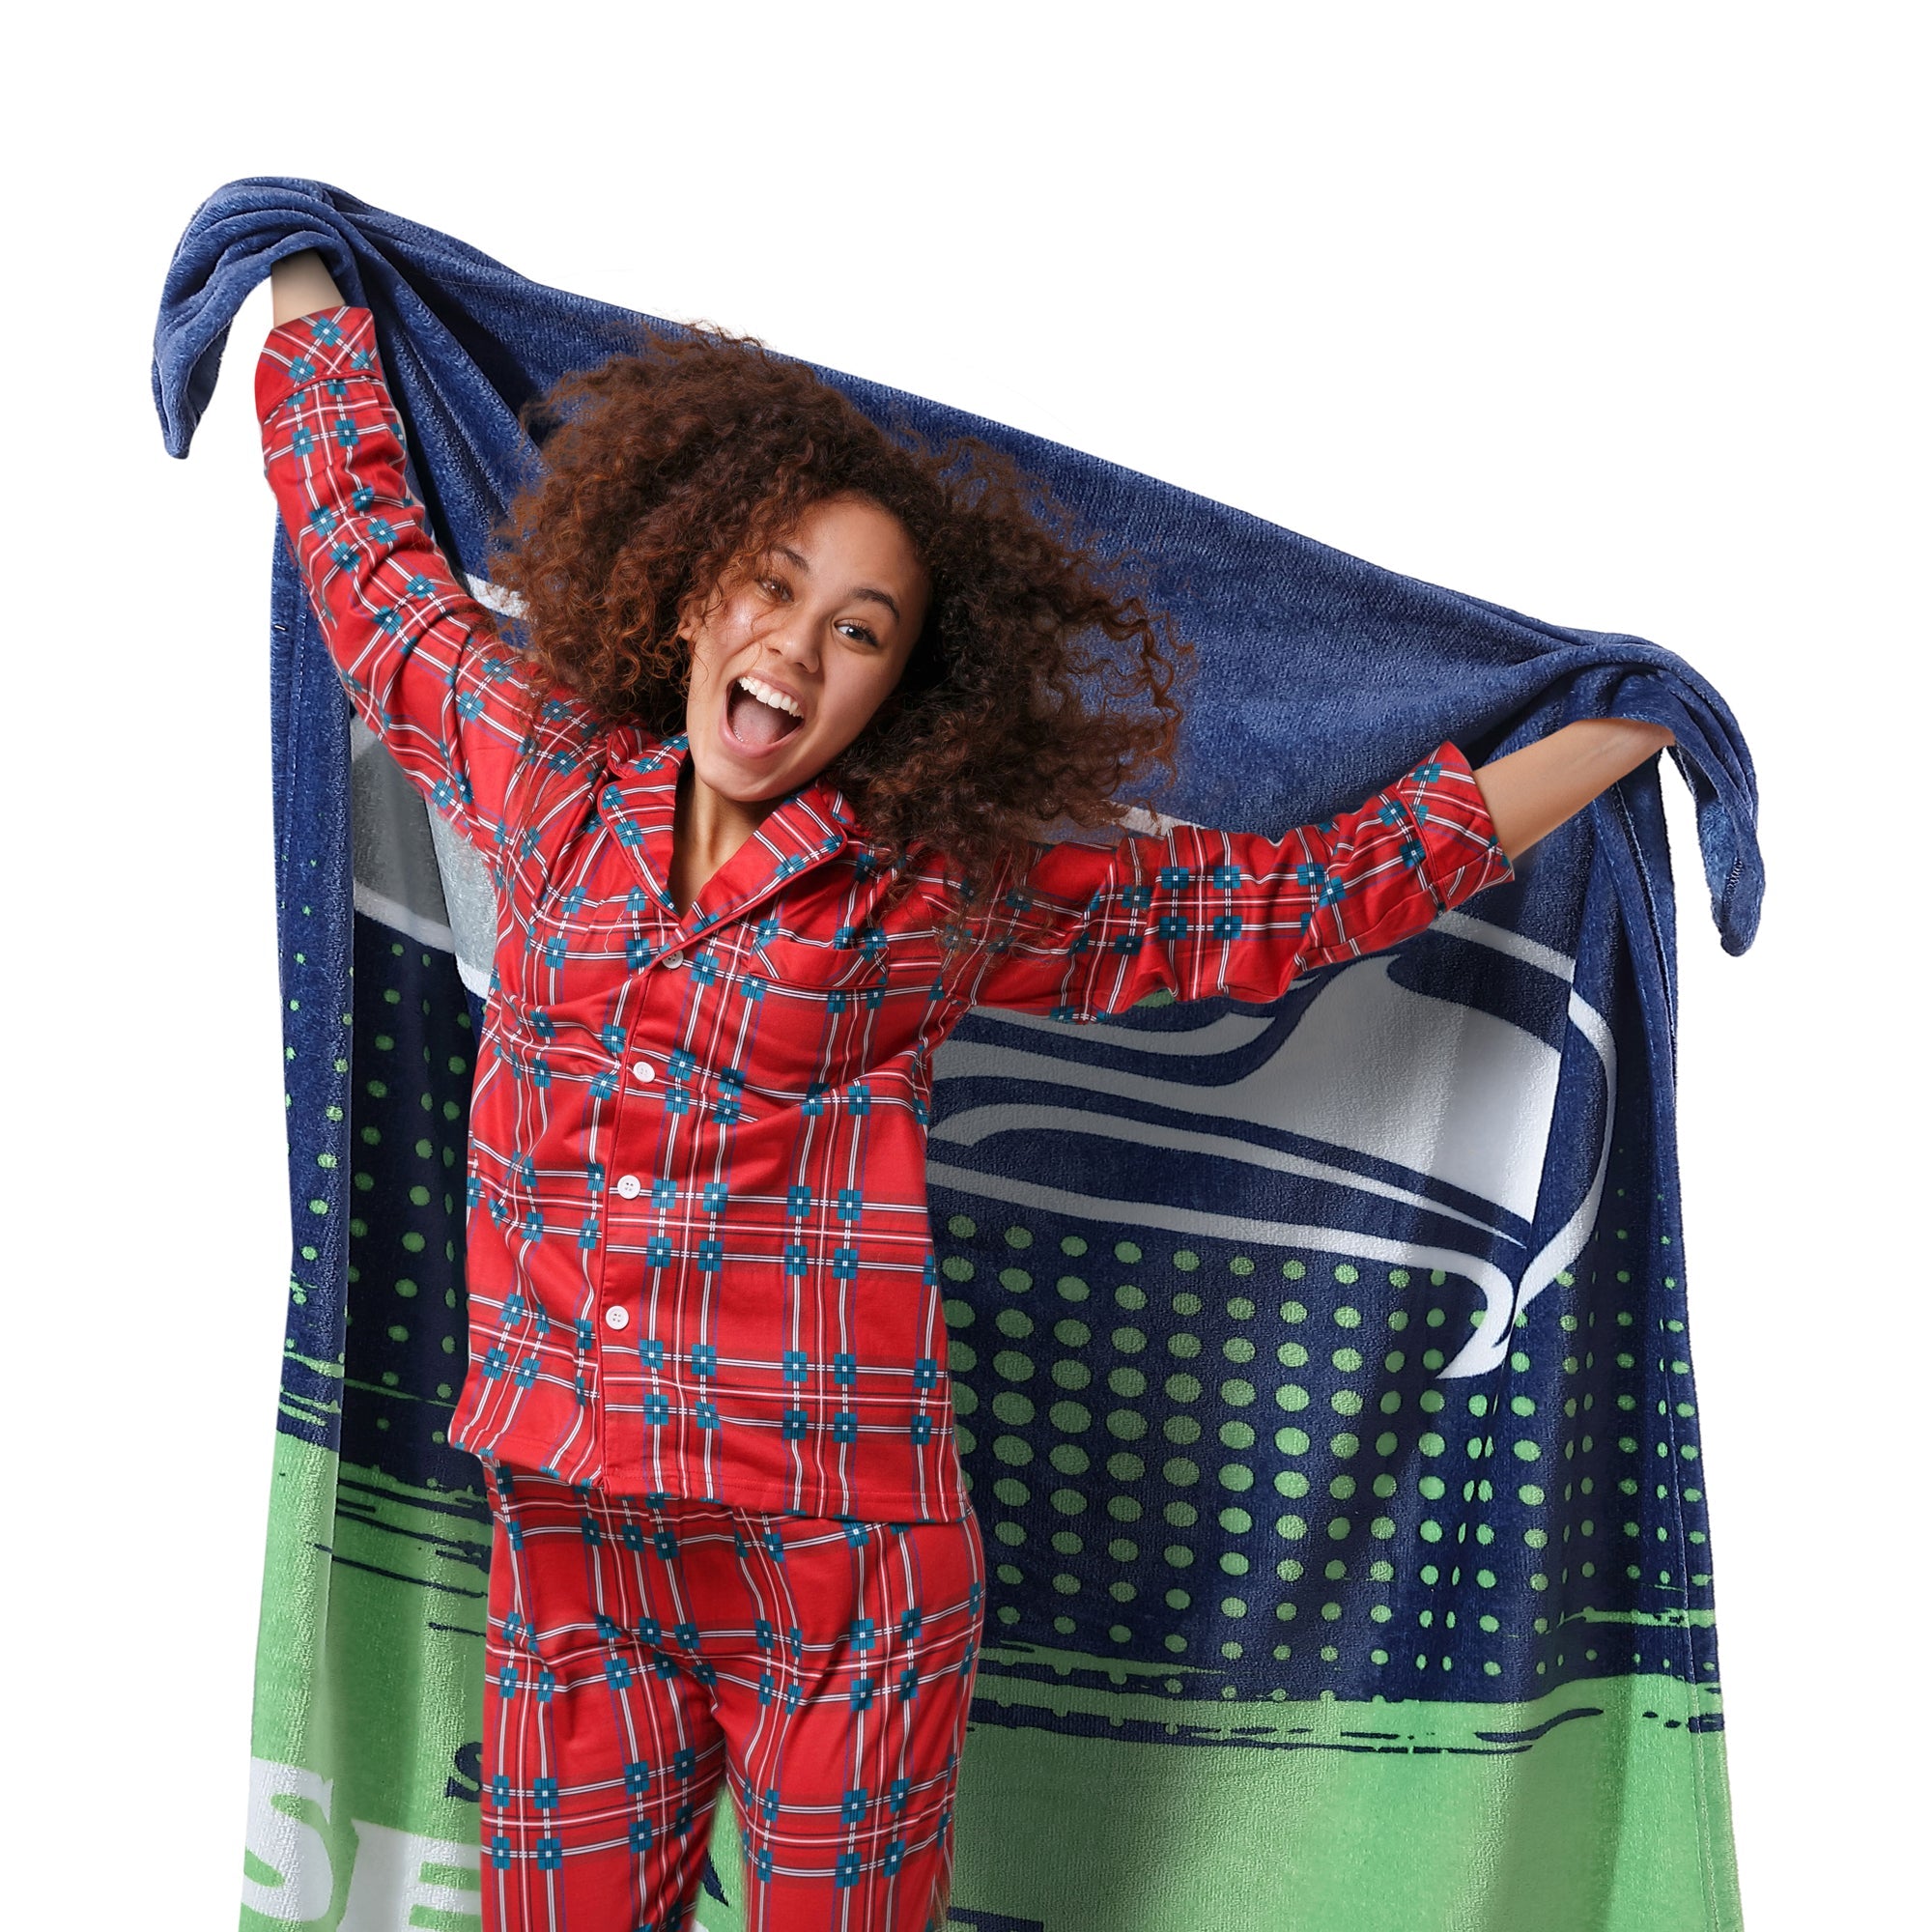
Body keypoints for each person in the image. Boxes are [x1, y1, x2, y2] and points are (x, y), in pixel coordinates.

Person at [259, 249, 1675, 1932]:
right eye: (773, 589)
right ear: (695, 600)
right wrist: (296, 262)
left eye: (860, 633)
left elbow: (1278, 905)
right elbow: (373, 578)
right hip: (571, 1533)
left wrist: (1615, 733)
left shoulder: (919, 901)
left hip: (837, 1574)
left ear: (899, 692)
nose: (797, 649)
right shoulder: (543, 781)